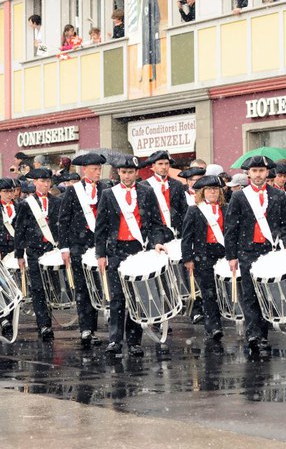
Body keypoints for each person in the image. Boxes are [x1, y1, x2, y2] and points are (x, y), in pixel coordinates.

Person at [95, 156, 173, 357]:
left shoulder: (147, 192)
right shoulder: (108, 194)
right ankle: (114, 341)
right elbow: (101, 227)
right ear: (118, 173)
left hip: (138, 250)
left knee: (136, 298)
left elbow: (156, 223)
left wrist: (157, 242)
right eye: (124, 172)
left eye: (131, 172)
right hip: (116, 250)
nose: (127, 175)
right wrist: (100, 254)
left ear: (137, 173)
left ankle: (134, 341)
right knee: (117, 298)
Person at [225, 155, 286, 355]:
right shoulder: (239, 197)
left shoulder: (278, 195)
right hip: (247, 251)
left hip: (269, 250)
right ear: (248, 173)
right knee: (250, 295)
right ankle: (255, 335)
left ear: (267, 173)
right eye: (254, 171)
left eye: (262, 171)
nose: (258, 175)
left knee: (267, 293)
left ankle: (263, 333)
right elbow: (231, 228)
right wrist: (231, 256)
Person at [58, 153, 108, 348]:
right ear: (84, 170)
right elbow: (63, 221)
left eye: (99, 168)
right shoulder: (73, 192)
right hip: (79, 245)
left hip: (100, 245)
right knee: (83, 288)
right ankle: (87, 329)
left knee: (98, 286)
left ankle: (99, 326)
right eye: (95, 169)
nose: (98, 172)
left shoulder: (106, 189)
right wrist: (65, 247)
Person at [14, 168, 61, 341]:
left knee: (52, 287)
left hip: (52, 249)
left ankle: (48, 319)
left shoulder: (57, 201)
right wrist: (19, 254)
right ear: (35, 183)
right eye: (42, 181)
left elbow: (60, 226)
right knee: (38, 288)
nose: (46, 184)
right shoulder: (26, 204)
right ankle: (44, 325)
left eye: (48, 181)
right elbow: (20, 229)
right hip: (34, 250)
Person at [182, 176, 227, 341]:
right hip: (204, 254)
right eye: (209, 189)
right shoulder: (194, 210)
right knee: (208, 293)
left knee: (223, 290)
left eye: (216, 189)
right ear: (202, 192)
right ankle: (213, 327)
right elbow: (187, 236)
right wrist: (187, 257)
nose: (213, 192)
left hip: (223, 253)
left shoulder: (226, 208)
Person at [141, 150, 188, 238]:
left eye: (166, 164)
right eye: (160, 164)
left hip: (175, 231)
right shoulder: (144, 185)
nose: (164, 167)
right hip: (154, 232)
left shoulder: (177, 184)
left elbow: (184, 209)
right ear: (153, 166)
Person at [0, 179, 18, 339]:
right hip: (1, 252)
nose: (9, 195)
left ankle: (8, 320)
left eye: (11, 191)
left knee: (13, 287)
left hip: (15, 251)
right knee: (3, 287)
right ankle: (3, 319)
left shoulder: (18, 206)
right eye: (5, 192)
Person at [141, 0, 161, 82]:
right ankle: (143, 74)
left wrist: (153, 26)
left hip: (150, 29)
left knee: (152, 52)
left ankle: (153, 74)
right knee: (145, 52)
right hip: (145, 29)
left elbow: (156, 13)